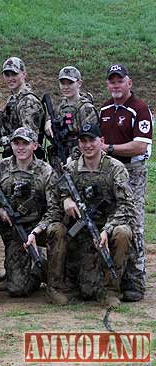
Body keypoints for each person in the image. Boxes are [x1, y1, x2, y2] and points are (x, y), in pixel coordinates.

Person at [57, 122, 134, 308]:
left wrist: (107, 230)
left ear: (102, 141)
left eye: (92, 140)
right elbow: (58, 190)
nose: (87, 145)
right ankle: (66, 281)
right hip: (81, 231)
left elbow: (126, 204)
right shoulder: (72, 168)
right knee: (86, 291)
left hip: (108, 227)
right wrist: (66, 199)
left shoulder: (115, 168)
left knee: (123, 232)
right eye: (83, 141)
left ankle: (111, 291)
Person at [0, 127, 68, 304]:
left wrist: (36, 231)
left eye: (25, 143)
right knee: (16, 289)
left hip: (39, 227)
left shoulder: (45, 171)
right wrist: (0, 210)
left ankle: (54, 286)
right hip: (16, 231)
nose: (20, 148)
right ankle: (34, 272)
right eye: (16, 143)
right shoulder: (1, 167)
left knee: (58, 230)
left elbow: (54, 209)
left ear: (34, 145)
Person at [99, 63, 152, 302]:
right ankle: (110, 277)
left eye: (119, 80)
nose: (115, 85)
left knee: (134, 223)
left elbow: (141, 145)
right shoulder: (105, 109)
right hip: (109, 171)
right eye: (112, 81)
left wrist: (109, 148)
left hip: (133, 170)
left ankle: (135, 281)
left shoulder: (139, 109)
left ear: (129, 83)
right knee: (110, 219)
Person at [0, 57, 45, 158]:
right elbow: (6, 129)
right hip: (13, 157)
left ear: (24, 74)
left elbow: (29, 136)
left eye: (14, 74)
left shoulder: (28, 102)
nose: (10, 78)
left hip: (27, 160)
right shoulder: (13, 99)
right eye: (7, 75)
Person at [44, 66, 99, 161]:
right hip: (60, 154)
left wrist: (74, 157)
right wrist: (48, 124)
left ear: (79, 83)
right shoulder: (60, 106)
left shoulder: (86, 108)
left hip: (81, 158)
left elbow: (91, 139)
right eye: (62, 83)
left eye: (70, 83)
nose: (66, 87)